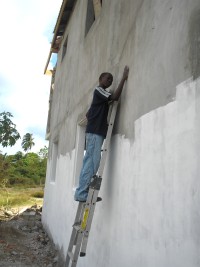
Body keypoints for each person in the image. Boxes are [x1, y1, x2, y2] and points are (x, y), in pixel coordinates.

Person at [74, 66, 129, 202]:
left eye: (111, 79)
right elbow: (115, 97)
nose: (110, 80)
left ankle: (84, 192)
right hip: (94, 132)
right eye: (107, 78)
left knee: (94, 161)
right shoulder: (99, 90)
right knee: (91, 162)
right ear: (100, 79)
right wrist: (123, 78)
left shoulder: (101, 95)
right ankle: (81, 193)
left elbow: (95, 108)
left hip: (96, 132)